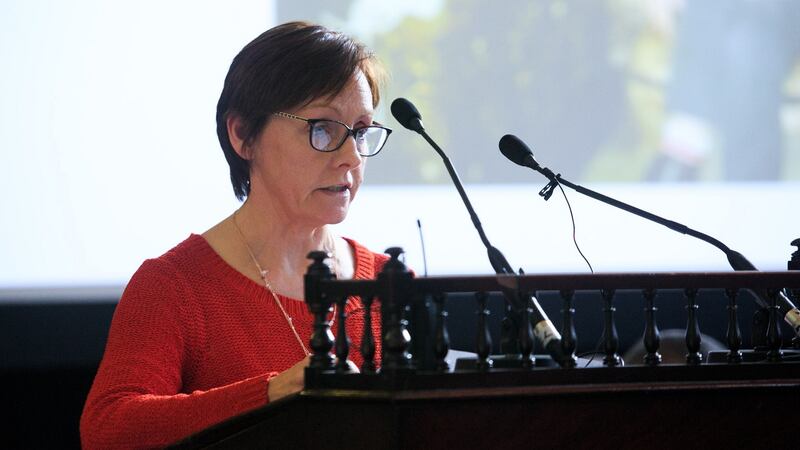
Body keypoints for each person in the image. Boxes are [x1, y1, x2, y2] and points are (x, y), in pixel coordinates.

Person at [80, 21, 393, 449]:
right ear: (243, 135)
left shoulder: (388, 281)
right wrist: (271, 394)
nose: (351, 157)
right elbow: (108, 430)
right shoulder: (174, 286)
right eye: (322, 129)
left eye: (360, 130)